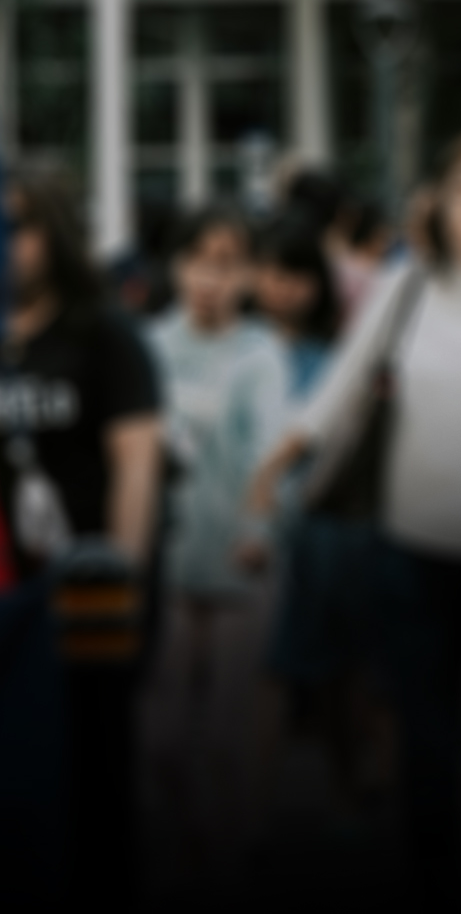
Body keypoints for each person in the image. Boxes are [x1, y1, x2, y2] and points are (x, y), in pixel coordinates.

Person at [248, 122, 461, 913]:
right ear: (441, 203)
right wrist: (284, 450)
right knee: (424, 758)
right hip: (412, 553)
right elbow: (346, 381)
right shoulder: (410, 286)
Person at [0, 164, 162, 911]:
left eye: (20, 224)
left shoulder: (103, 333)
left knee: (96, 777)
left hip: (84, 591)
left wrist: (122, 581)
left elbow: (136, 463)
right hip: (8, 597)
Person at [142, 206, 286, 901]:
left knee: (226, 734)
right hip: (164, 561)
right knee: (164, 735)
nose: (210, 278)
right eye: (199, 260)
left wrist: (257, 529)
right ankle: (190, 846)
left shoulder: (261, 352)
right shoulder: (149, 345)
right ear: (176, 267)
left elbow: (269, 451)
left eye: (228, 263)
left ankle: (226, 864)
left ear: (251, 274)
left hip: (237, 562)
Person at [250, 214, 391, 826]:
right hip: (248, 531)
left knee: (344, 670)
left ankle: (355, 781)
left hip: (324, 528)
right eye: (274, 274)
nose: (285, 289)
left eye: (299, 277)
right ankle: (249, 802)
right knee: (265, 672)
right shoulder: (241, 347)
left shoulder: (337, 353)